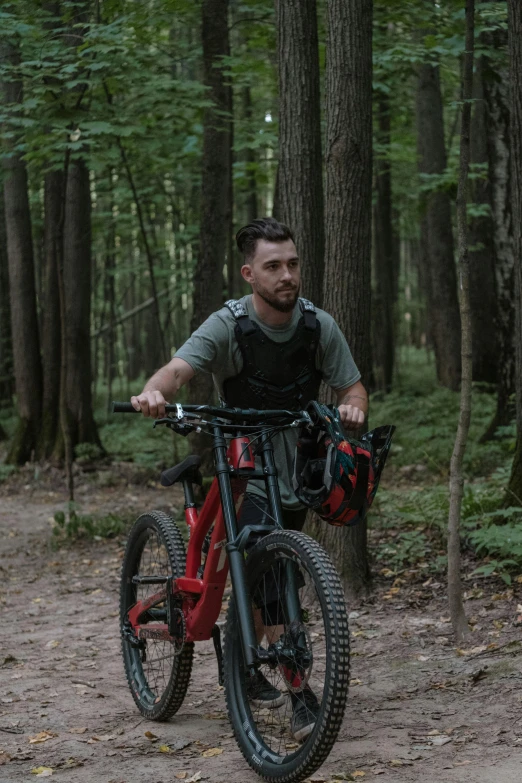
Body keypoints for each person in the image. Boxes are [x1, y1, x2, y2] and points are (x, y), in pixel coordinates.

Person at [131, 217, 368, 741]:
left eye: (292, 264)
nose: (287, 275)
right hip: (241, 458)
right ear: (249, 274)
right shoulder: (228, 325)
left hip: (299, 465)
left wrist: (351, 411)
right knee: (270, 567)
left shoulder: (317, 327)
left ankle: (240, 657)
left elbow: (353, 388)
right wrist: (154, 394)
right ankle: (301, 694)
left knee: (272, 562)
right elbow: (175, 371)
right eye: (273, 266)